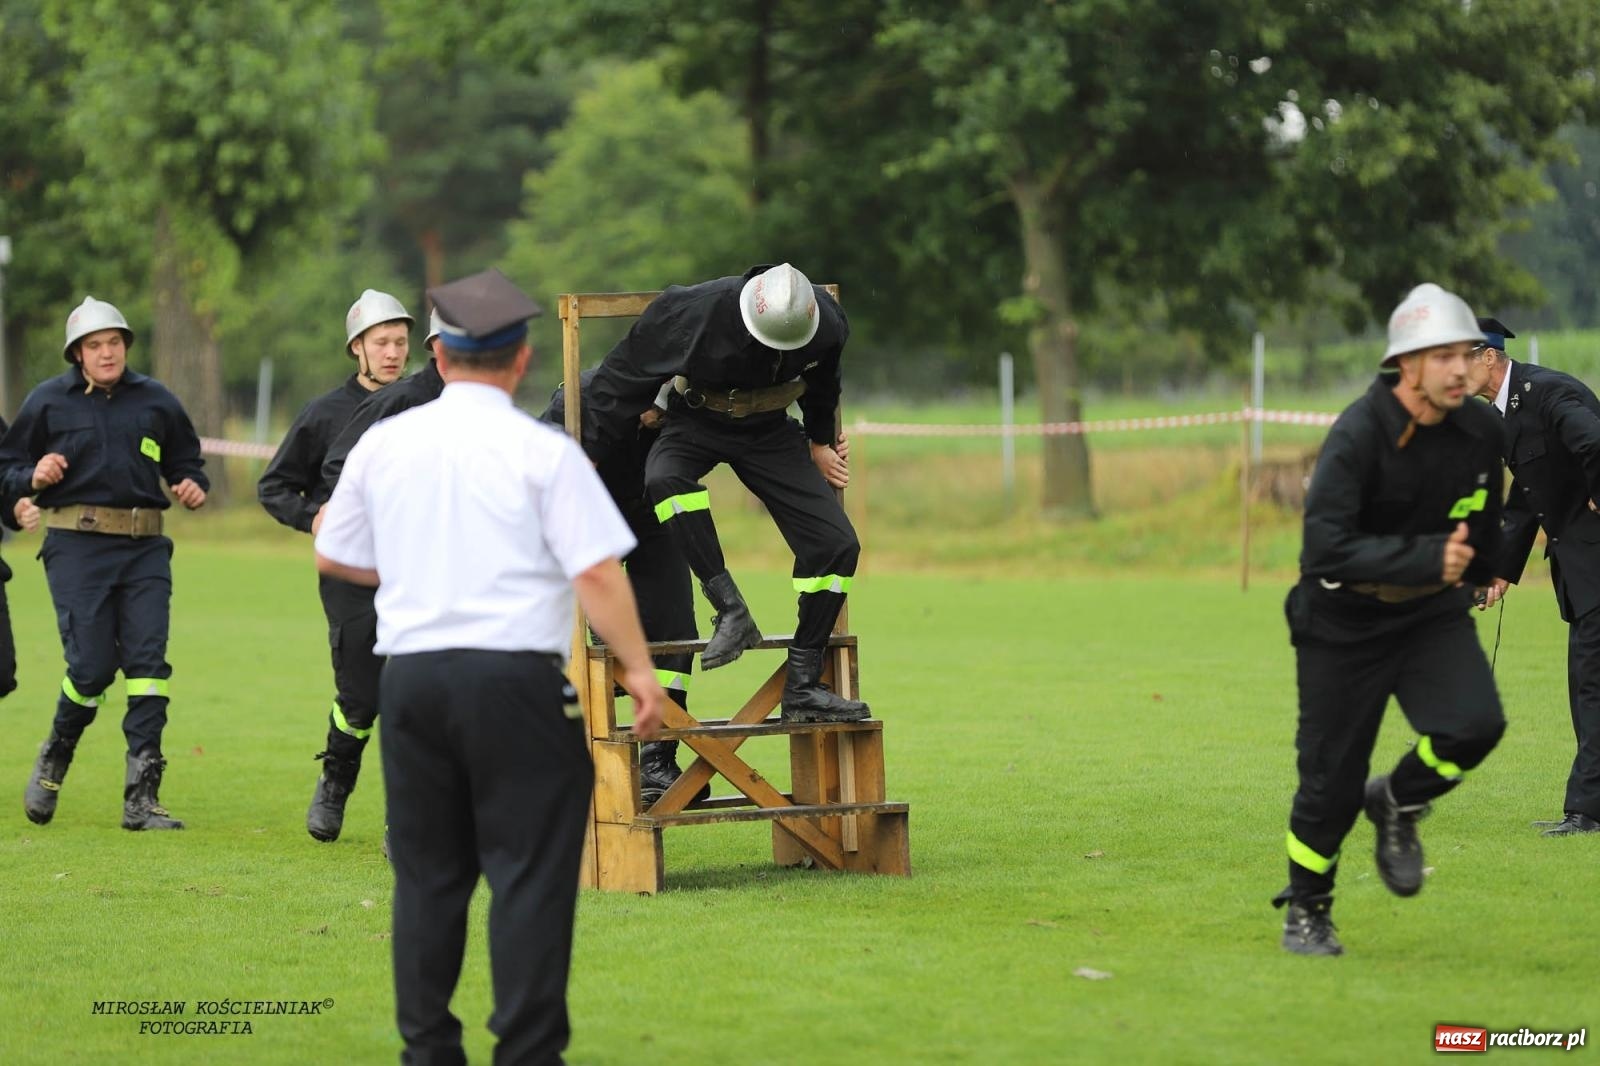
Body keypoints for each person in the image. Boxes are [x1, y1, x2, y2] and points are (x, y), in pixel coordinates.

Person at [315, 268, 665, 1064]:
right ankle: (528, 1052)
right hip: (516, 683)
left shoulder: (384, 443)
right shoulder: (542, 452)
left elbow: (336, 549)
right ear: (520, 358)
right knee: (531, 879)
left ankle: (428, 1051)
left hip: (412, 682)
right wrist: (641, 672)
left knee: (429, 878)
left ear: (437, 356)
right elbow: (599, 572)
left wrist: (417, 568)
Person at [1275, 283, 1507, 956]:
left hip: (1431, 611)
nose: (1462, 370)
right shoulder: (1356, 435)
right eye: (1443, 358)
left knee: (1475, 724)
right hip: (1342, 619)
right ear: (1406, 365)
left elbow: (1483, 508)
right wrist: (1428, 557)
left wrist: (1482, 568)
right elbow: (1324, 546)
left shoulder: (1480, 427)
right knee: (1330, 781)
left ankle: (1399, 799)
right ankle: (1308, 910)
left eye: (1467, 354)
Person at [581, 262, 868, 723]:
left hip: (771, 431)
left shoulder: (828, 322)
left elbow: (823, 385)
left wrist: (818, 441)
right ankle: (732, 610)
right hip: (697, 419)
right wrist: (589, 452)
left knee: (837, 545)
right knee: (664, 480)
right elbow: (620, 376)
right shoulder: (689, 313)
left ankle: (803, 687)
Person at [3, 295, 208, 830]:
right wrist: (32, 478)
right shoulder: (47, 402)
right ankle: (56, 754)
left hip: (145, 550)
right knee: (91, 669)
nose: (107, 352)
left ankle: (142, 798)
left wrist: (191, 484)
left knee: (148, 668)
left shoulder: (157, 400)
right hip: (75, 548)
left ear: (126, 346)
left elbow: (186, 459)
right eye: (95, 345)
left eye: (114, 342)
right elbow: (9, 466)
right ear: (77, 354)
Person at [258, 289, 413, 842]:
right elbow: (274, 486)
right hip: (349, 572)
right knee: (361, 694)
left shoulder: (426, 404)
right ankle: (335, 782)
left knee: (414, 686)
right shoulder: (324, 413)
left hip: (415, 567)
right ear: (357, 349)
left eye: (400, 341)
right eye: (381, 342)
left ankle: (409, 815)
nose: (393, 352)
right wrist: (312, 518)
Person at [1466, 317, 1600, 836]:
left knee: (1591, 686)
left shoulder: (1545, 393)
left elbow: (1595, 441)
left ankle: (1587, 811)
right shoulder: (1503, 415)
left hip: (1593, 561)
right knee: (1586, 683)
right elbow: (1526, 497)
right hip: (1581, 570)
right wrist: (1500, 570)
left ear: (1488, 357)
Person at [542, 372, 701, 804]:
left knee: (675, 626)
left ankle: (658, 763)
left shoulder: (687, 398)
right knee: (595, 638)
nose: (659, 421)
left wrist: (809, 446)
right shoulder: (581, 398)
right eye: (656, 412)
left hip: (651, 515)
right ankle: (591, 758)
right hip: (587, 514)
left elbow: (742, 433)